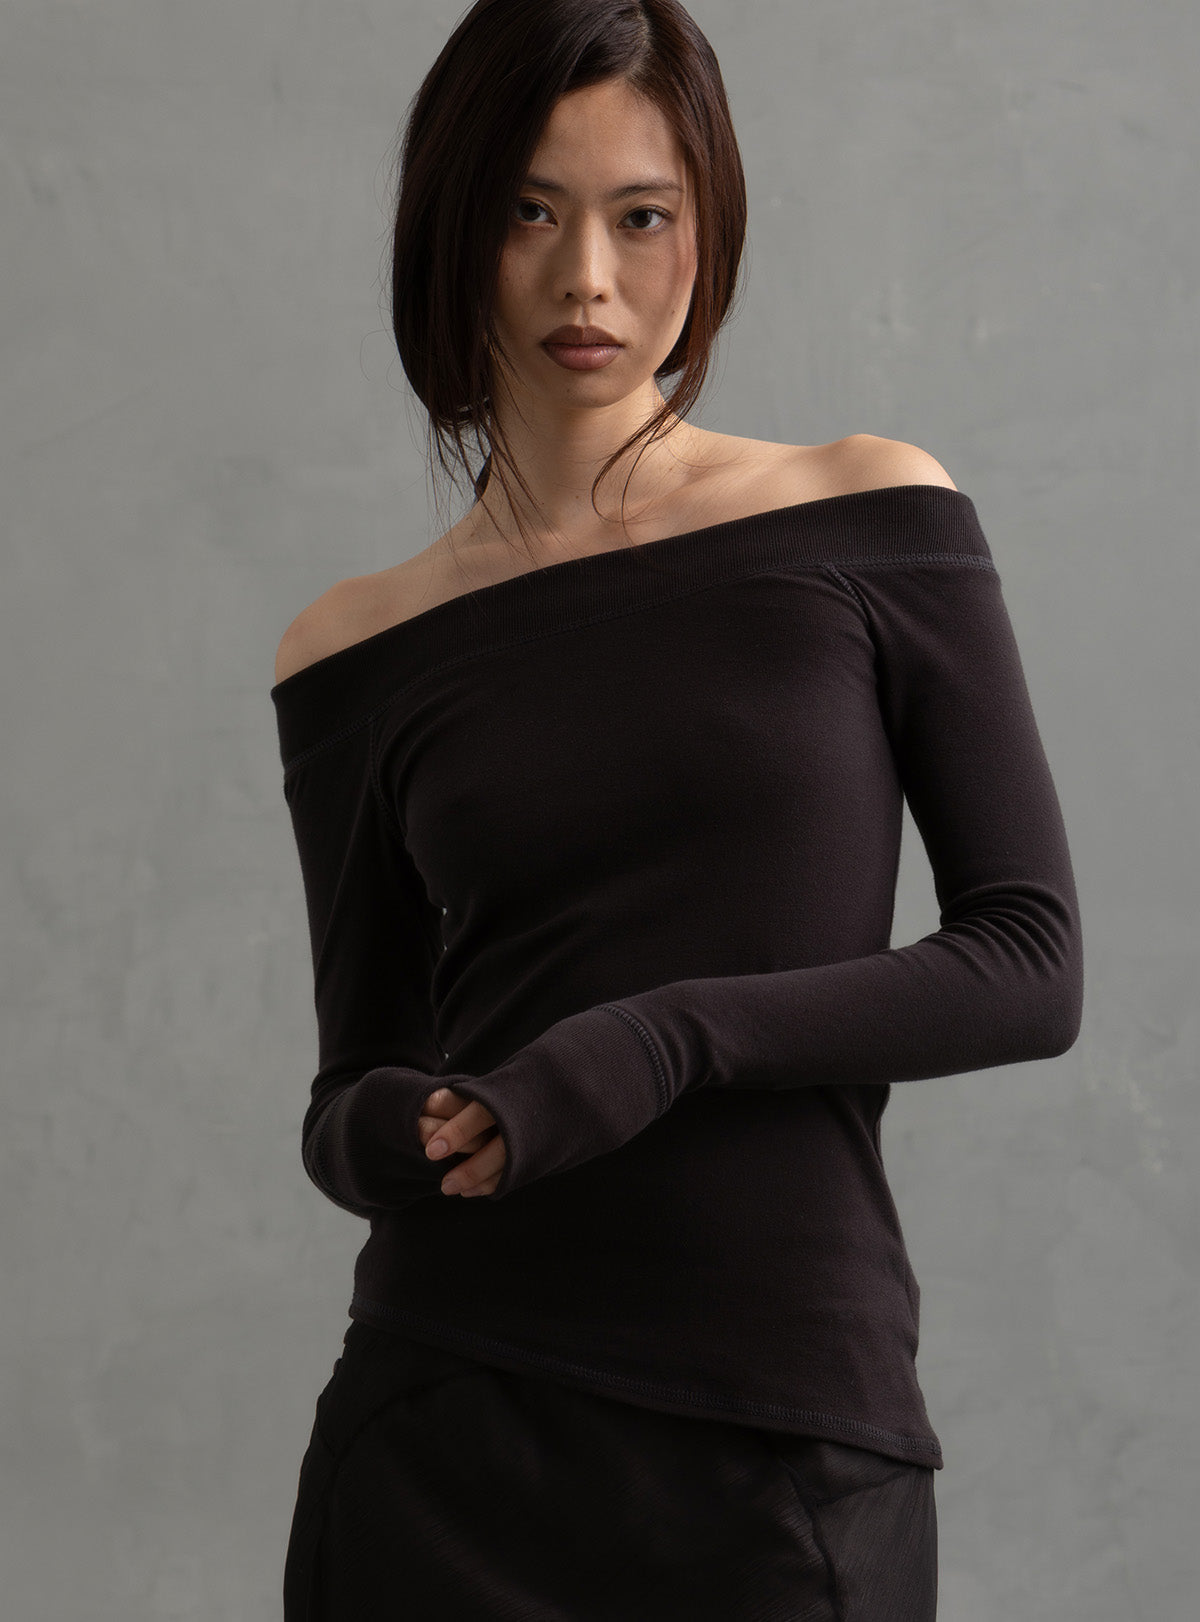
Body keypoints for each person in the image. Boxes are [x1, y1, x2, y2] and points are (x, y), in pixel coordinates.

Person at [269, 2, 1084, 1617]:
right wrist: (404, 1127)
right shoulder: (355, 646)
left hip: (782, 1435)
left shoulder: (866, 516)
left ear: (707, 232)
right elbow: (349, 1085)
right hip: (442, 1434)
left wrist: (662, 1040)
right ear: (452, 229)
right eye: (530, 210)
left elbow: (1029, 959)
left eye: (641, 216)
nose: (587, 278)